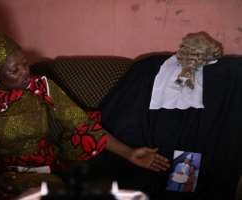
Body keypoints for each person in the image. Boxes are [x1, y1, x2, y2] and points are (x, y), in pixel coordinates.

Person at [0, 33, 170, 199]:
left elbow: (83, 125)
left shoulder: (42, 87)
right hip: (5, 184)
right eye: (14, 70)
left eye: (24, 63)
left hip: (47, 179)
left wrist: (130, 153)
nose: (25, 72)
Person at [100, 32, 242, 199]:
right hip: (165, 160)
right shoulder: (230, 75)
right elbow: (85, 126)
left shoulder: (145, 69)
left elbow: (93, 124)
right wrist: (129, 153)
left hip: (155, 160)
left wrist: (129, 153)